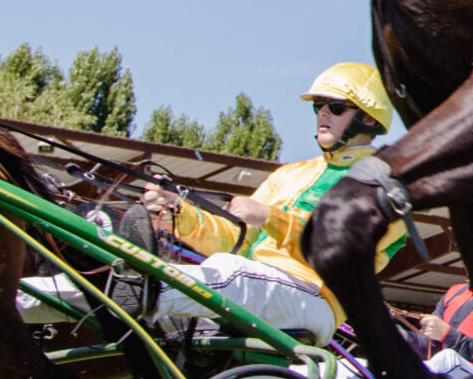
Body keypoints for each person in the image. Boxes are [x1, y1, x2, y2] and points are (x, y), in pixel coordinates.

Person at [30, 63, 409, 343]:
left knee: (224, 271)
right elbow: (236, 238)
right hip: (254, 289)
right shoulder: (288, 174)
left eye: (335, 106)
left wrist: (271, 217)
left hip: (313, 298)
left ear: (368, 120)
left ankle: (140, 287)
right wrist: (179, 215)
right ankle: (21, 299)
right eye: (318, 106)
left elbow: (342, 252)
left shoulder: (381, 184)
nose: (323, 112)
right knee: (219, 273)